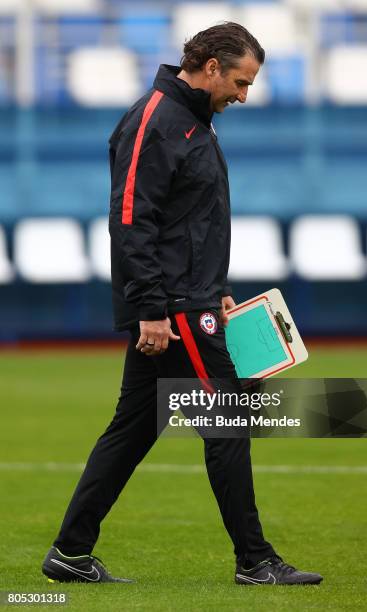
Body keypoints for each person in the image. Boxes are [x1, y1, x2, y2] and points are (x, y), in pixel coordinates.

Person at [42, 22, 322, 586]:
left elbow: (186, 223)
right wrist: (151, 308)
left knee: (132, 430)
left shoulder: (193, 123)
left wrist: (215, 285)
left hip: (189, 299)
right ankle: (255, 561)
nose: (244, 96)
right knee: (228, 423)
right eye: (241, 82)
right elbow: (130, 220)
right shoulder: (157, 120)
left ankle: (70, 553)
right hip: (173, 309)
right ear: (211, 66)